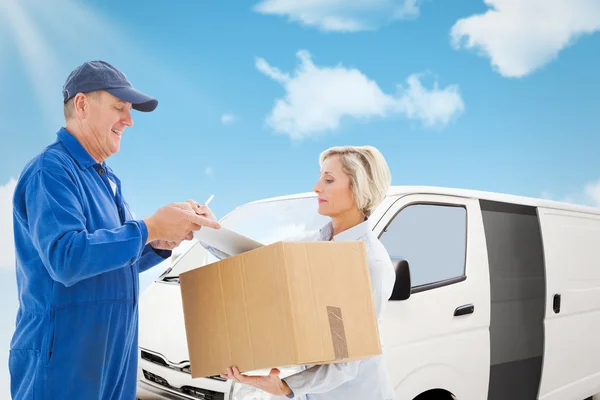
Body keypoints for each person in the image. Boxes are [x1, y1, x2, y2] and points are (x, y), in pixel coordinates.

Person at [9, 60, 220, 400]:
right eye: (119, 107)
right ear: (81, 105)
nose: (129, 120)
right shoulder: (51, 171)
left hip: (112, 358)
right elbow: (68, 259)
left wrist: (160, 240)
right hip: (64, 361)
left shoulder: (105, 180)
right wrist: (149, 227)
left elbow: (109, 261)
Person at [195, 145, 396, 399]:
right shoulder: (312, 244)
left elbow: (345, 359)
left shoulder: (370, 263)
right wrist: (208, 229)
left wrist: (285, 387)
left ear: (359, 187)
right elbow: (256, 265)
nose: (316, 187)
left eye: (329, 179)